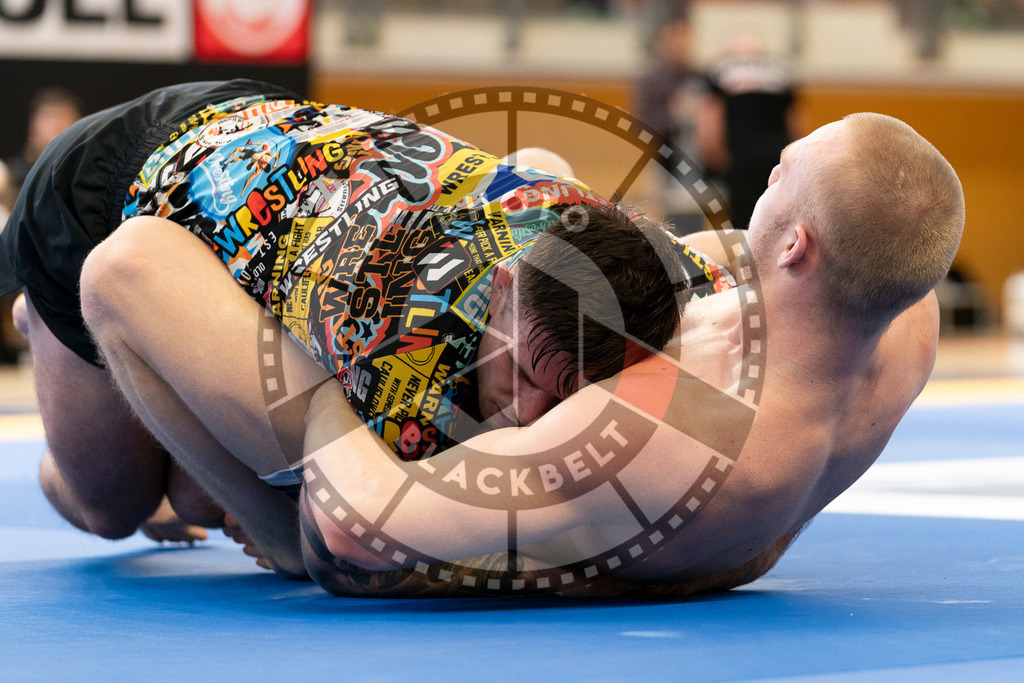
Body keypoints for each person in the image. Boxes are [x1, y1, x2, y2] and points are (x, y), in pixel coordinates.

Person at [78, 110, 964, 597]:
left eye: (780, 174)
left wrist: (319, 396)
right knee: (539, 173)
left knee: (127, 274)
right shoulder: (902, 308)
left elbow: (359, 527)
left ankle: (232, 504)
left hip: (355, 523)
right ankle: (198, 467)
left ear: (798, 245)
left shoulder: (677, 426)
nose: (762, 180)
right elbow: (742, 251)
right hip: (633, 506)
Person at [0, 81, 689, 556]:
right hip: (99, 199)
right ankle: (43, 323)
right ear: (502, 287)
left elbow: (549, 169)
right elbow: (119, 270)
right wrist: (280, 533)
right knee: (116, 506)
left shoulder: (600, 245)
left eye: (565, 394)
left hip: (263, 140)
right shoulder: (394, 353)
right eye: (521, 371)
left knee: (200, 492)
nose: (529, 416)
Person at [698, 30, 803, 231]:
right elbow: (795, 120)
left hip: (740, 161)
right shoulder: (781, 74)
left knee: (742, 225)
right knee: (777, 222)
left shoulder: (719, 73)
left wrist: (714, 158)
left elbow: (710, 120)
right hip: (778, 157)